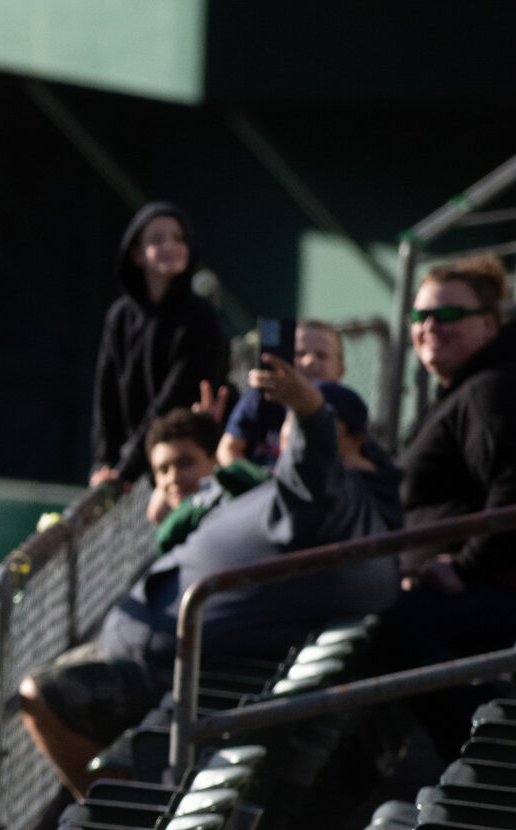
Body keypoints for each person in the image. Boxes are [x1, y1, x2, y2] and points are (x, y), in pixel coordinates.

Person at [23, 353, 402, 797]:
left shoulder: (335, 497)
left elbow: (313, 470)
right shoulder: (315, 501)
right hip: (152, 646)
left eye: (294, 424)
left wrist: (310, 412)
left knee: (37, 695)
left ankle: (116, 818)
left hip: (175, 673)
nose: (286, 433)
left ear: (353, 441)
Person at [379, 255, 516, 755]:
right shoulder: (462, 389)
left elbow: (513, 486)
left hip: (491, 595)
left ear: (489, 322)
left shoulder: (489, 388)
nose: (430, 326)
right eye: (419, 317)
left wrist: (465, 567)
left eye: (448, 315)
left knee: (398, 628)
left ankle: (491, 759)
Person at [91, 201, 231, 487]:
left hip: (187, 463)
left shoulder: (201, 315)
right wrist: (103, 464)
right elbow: (106, 398)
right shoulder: (120, 317)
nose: (170, 245)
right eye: (157, 240)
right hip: (139, 463)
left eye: (179, 239)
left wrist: (126, 469)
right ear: (136, 254)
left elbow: (176, 396)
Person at [218, 319, 350, 467]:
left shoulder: (347, 409)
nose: (310, 361)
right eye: (300, 353)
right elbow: (227, 449)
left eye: (321, 355)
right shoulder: (262, 397)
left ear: (340, 371)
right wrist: (253, 482)